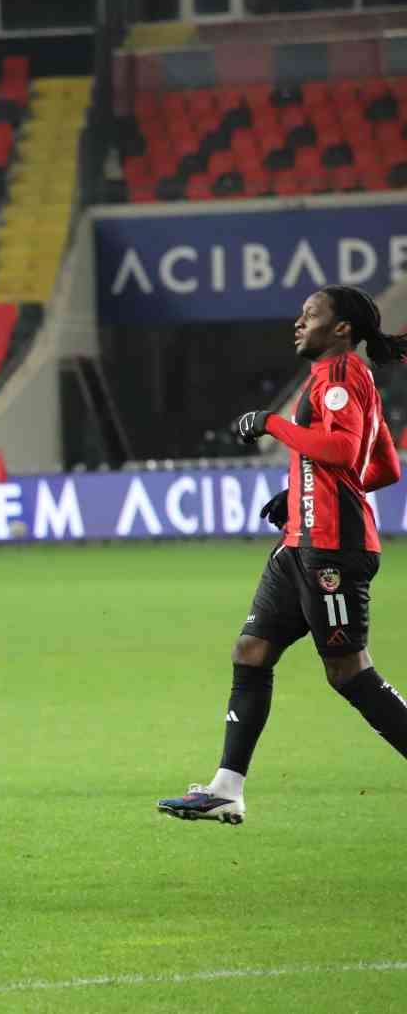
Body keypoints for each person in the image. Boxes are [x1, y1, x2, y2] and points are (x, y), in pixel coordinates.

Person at [158, 285, 407, 825]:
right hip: (301, 543)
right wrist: (303, 493)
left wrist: (272, 424)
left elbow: (342, 450)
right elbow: (382, 468)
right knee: (251, 651)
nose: (298, 323)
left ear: (341, 329)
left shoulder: (341, 378)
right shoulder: (339, 380)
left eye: (310, 315)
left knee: (348, 672)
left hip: (332, 551)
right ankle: (226, 789)